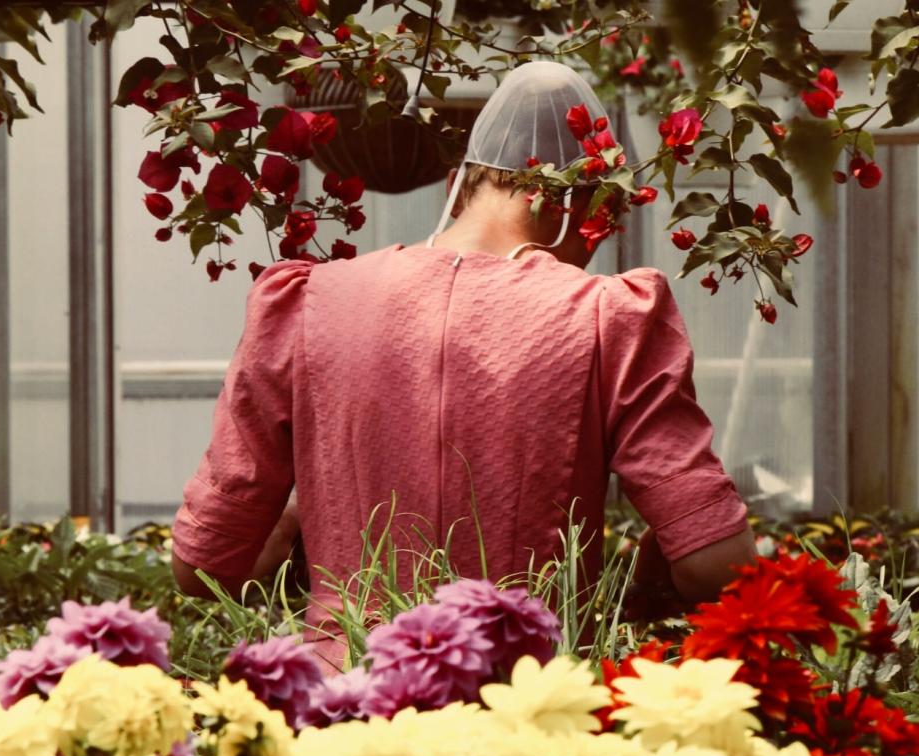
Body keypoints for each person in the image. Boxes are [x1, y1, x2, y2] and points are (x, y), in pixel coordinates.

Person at [170, 61, 756, 668]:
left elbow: (203, 565)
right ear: (578, 202)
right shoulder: (609, 315)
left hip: (343, 709)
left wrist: (310, 519)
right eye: (604, 223)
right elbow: (717, 563)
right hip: (526, 712)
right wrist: (637, 577)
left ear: (459, 183)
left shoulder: (308, 301)